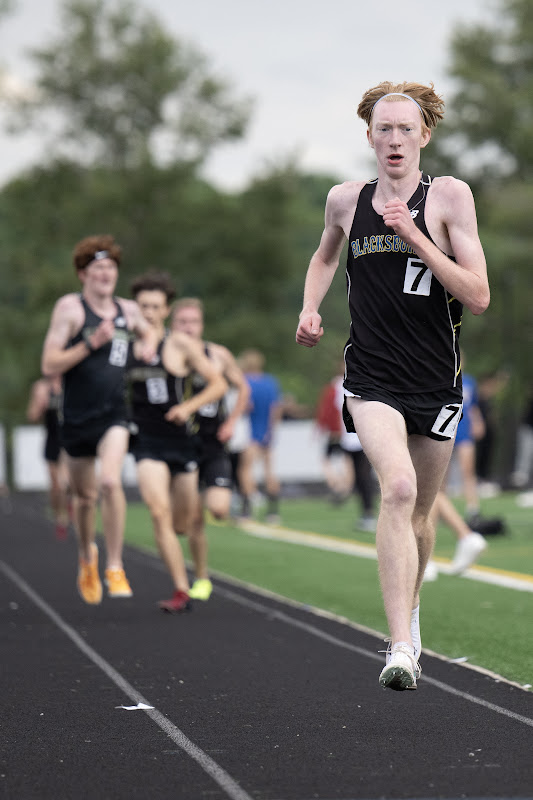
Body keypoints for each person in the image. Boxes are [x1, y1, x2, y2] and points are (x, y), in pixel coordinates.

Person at [296, 81, 490, 691]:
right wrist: (309, 307)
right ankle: (400, 644)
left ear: (424, 135)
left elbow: (478, 295)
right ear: (371, 138)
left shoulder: (450, 197)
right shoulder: (345, 200)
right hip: (371, 376)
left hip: (436, 381)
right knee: (399, 489)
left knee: (424, 514)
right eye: (385, 129)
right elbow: (327, 255)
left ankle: (410, 617)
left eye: (407, 129)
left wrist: (415, 238)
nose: (395, 140)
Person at [41, 234, 158, 605]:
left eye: (110, 267)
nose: (105, 274)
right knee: (85, 498)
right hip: (76, 418)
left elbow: (150, 331)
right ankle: (86, 556)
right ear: (82, 274)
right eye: (97, 268)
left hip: (113, 414)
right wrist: (91, 343)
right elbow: (48, 364)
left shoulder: (128, 310)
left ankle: (115, 565)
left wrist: (149, 345)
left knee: (110, 482)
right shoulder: (70, 310)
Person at [129, 277, 227, 612]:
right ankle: (181, 590)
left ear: (166, 310)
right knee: (159, 513)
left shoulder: (180, 345)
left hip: (182, 443)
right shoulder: (123, 345)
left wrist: (186, 408)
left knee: (183, 523)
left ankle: (196, 572)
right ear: (134, 308)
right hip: (146, 442)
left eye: (156, 306)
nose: (150, 312)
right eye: (144, 306)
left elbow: (218, 385)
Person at [170, 298, 250, 600]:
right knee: (189, 521)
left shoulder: (217, 355)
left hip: (213, 442)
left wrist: (231, 421)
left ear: (201, 325)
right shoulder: (168, 356)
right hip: (181, 443)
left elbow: (243, 387)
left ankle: (198, 501)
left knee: (218, 508)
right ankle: (201, 577)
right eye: (182, 322)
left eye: (193, 322)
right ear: (172, 325)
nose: (188, 327)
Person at [237, 348, 283, 523]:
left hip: (250, 432)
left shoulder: (245, 382)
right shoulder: (270, 382)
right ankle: (273, 512)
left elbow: (245, 406)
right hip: (267, 432)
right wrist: (271, 431)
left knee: (245, 471)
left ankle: (246, 510)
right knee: (269, 471)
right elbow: (276, 408)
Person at [26, 374, 71, 540]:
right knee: (55, 485)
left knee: (64, 481)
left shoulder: (71, 383)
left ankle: (66, 514)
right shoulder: (41, 388)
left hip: (69, 438)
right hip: (52, 440)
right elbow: (31, 416)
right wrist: (40, 405)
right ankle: (58, 515)